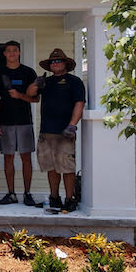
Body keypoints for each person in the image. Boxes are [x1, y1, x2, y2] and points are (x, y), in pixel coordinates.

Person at [26, 48, 85, 212]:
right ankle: (54, 198)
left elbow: (79, 103)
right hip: (47, 131)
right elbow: (31, 95)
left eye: (58, 61)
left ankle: (69, 199)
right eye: (52, 62)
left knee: (67, 167)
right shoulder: (47, 82)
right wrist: (36, 83)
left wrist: (72, 125)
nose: (55, 64)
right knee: (51, 167)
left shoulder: (74, 81)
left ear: (65, 63)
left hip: (65, 131)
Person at [0, 41, 39, 207]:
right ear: (5, 53)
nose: (12, 53)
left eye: (15, 50)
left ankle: (27, 193)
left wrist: (20, 96)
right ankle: (11, 193)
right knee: (8, 158)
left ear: (19, 52)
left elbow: (36, 98)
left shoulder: (28, 72)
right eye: (8, 51)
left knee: (26, 158)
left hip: (24, 121)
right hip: (5, 122)